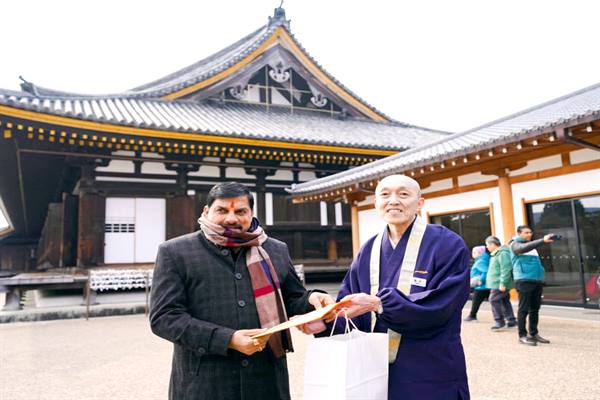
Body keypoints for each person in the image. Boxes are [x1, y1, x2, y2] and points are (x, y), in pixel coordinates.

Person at [149, 182, 334, 400]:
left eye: (240, 211)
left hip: (265, 377)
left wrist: (312, 298)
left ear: (251, 213)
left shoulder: (275, 249)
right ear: (206, 212)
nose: (231, 218)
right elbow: (164, 318)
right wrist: (227, 339)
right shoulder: (176, 252)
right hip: (205, 381)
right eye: (222, 210)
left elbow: (292, 298)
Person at [320, 174, 471, 400]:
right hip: (375, 368)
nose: (393, 200)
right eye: (385, 194)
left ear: (419, 203)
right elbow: (349, 304)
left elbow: (443, 305)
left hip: (429, 363)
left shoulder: (447, 244)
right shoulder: (368, 249)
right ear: (376, 204)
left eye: (403, 194)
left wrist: (380, 304)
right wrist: (326, 321)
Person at [510, 225, 555, 346]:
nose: (529, 234)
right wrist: (542, 241)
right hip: (524, 280)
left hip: (536, 281)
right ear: (519, 233)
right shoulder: (515, 244)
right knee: (523, 309)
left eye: (530, 232)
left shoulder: (532, 247)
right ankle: (522, 335)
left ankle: (534, 333)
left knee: (535, 309)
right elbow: (522, 248)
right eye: (526, 233)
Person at [484, 236, 517, 332]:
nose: (487, 247)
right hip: (497, 283)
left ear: (492, 244)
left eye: (487, 245)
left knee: (493, 299)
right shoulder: (496, 254)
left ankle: (499, 321)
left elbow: (506, 269)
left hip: (499, 283)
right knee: (504, 300)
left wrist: (503, 283)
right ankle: (511, 320)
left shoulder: (502, 253)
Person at [464, 245, 491, 322]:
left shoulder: (480, 262)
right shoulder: (482, 260)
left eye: (475, 252)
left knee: (476, 301)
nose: (473, 254)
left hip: (481, 286)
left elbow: (485, 272)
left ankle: (472, 315)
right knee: (496, 301)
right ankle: (507, 317)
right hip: (484, 286)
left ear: (480, 253)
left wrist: (480, 280)